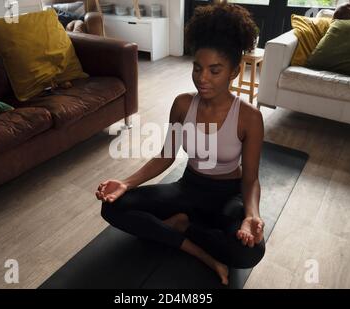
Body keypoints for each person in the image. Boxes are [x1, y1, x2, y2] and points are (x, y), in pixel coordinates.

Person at [95, 3, 265, 286]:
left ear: (234, 72)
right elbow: (166, 156)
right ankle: (197, 248)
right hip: (189, 188)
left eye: (214, 70)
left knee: (250, 252)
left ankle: (182, 227)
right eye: (197, 68)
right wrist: (127, 183)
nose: (203, 79)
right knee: (113, 207)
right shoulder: (183, 104)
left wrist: (251, 215)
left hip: (227, 198)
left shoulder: (250, 118)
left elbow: (250, 180)